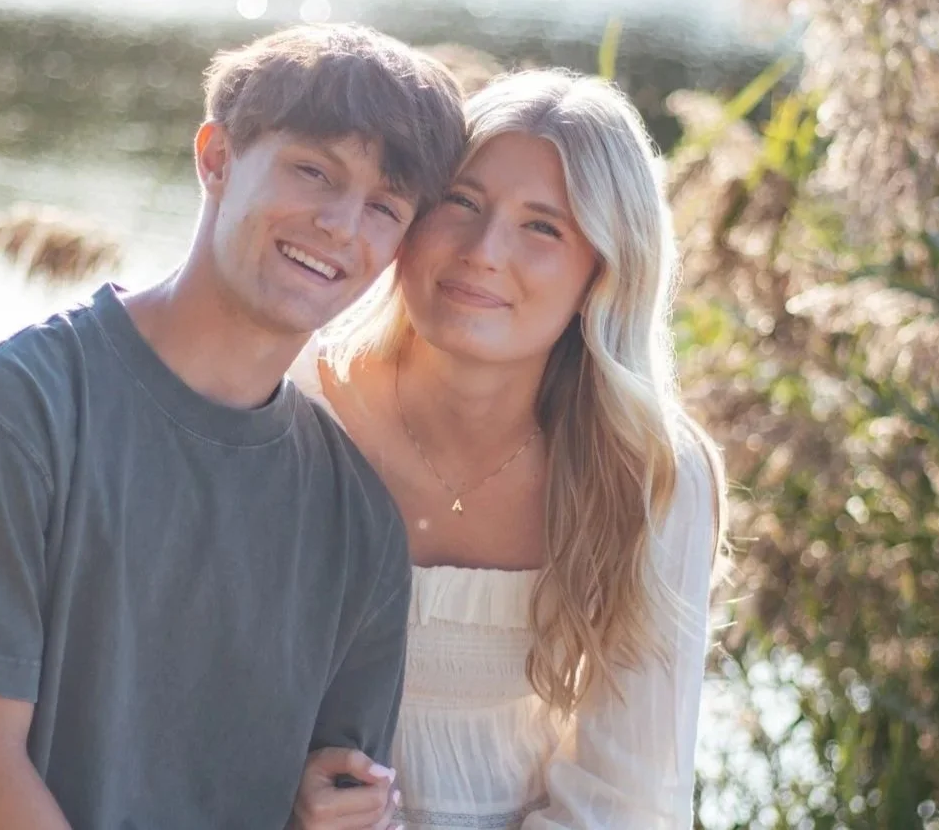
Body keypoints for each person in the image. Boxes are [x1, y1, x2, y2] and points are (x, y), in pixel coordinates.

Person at [0, 23, 465, 830]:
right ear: (217, 158)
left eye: (384, 207)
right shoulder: (4, 410)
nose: (340, 223)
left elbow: (331, 798)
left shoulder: (356, 521)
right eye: (312, 171)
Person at [287, 70, 727, 830]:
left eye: (542, 226)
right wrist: (279, 784)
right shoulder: (299, 404)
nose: (483, 251)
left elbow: (627, 802)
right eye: (461, 201)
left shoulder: (648, 472)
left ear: (603, 271)